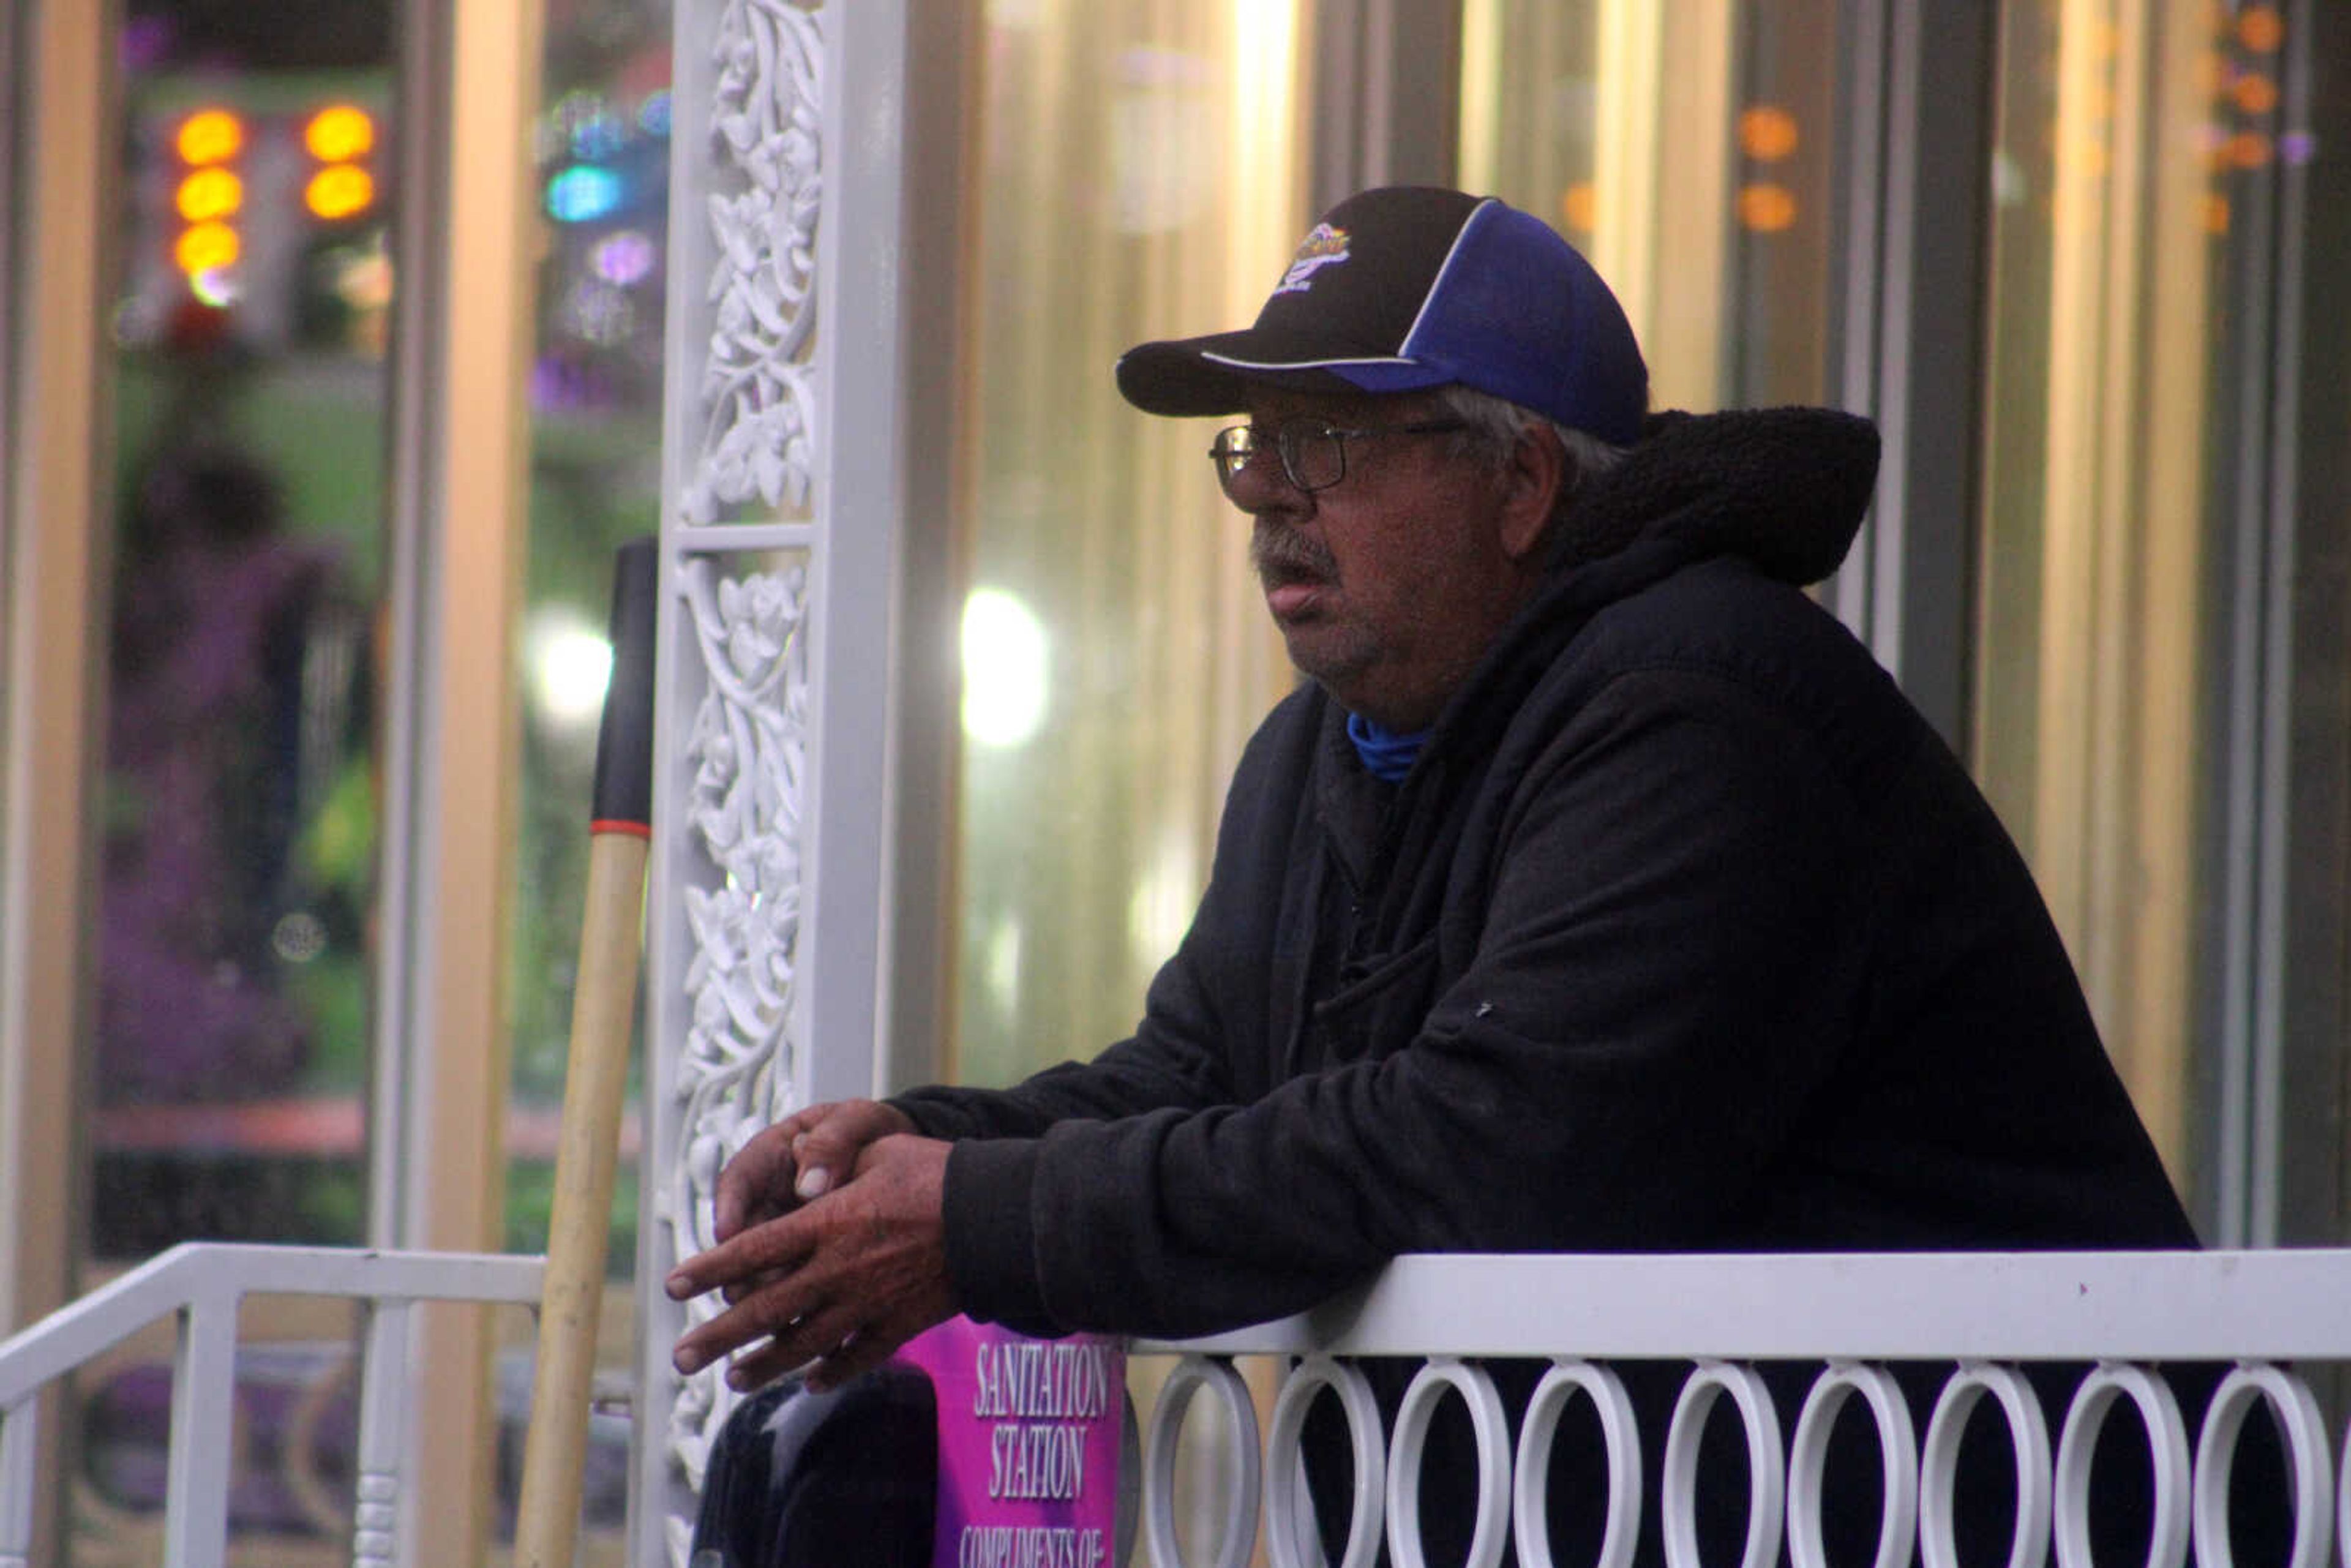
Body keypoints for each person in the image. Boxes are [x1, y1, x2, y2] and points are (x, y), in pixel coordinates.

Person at [667, 186, 2209, 1564]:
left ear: (1523, 482)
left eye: (1326, 441)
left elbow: (1499, 1147)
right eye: (1253, 449)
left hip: (1989, 1505)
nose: (1270, 494)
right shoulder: (1324, 748)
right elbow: (1200, 1077)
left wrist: (982, 1218)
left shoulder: (1705, 702)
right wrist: (909, 1160)